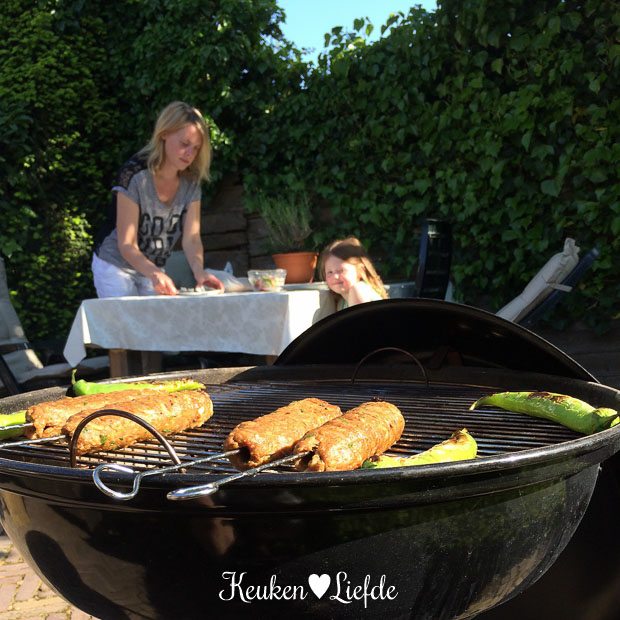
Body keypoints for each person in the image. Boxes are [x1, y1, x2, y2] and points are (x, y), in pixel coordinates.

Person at [92, 101, 224, 297]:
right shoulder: (134, 174)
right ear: (164, 134)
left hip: (153, 268)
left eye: (196, 148)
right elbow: (127, 244)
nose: (190, 154)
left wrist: (199, 272)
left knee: (157, 317)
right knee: (127, 318)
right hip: (115, 265)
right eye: (184, 144)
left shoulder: (191, 181)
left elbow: (192, 238)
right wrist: (155, 274)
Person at [318, 236, 388, 309]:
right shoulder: (342, 301)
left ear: (360, 270)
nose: (335, 276)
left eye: (341, 270)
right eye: (330, 272)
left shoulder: (358, 290)